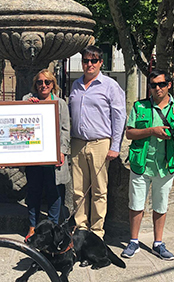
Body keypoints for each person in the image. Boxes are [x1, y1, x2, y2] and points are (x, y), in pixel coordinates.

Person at [121, 69, 174, 261]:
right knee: (136, 204)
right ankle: (133, 241)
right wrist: (151, 131)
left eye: (161, 84)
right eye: (153, 85)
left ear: (169, 85)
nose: (157, 88)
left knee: (161, 205)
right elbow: (129, 133)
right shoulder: (140, 106)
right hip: (141, 163)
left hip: (166, 165)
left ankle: (158, 243)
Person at [69, 45, 126, 239]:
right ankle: (81, 229)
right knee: (78, 190)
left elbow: (119, 117)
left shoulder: (110, 85)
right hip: (77, 143)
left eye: (94, 60)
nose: (89, 64)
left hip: (100, 143)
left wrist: (115, 146)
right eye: (86, 61)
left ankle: (96, 233)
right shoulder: (75, 85)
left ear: (101, 62)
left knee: (99, 191)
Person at [22, 69, 70, 241]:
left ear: (53, 85)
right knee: (33, 193)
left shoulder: (60, 103)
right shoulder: (27, 100)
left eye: (47, 82)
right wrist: (29, 106)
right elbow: (20, 124)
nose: (43, 85)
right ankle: (32, 227)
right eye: (40, 82)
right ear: (35, 84)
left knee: (54, 194)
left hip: (54, 158)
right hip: (34, 157)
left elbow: (65, 129)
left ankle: (52, 228)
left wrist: (62, 151)